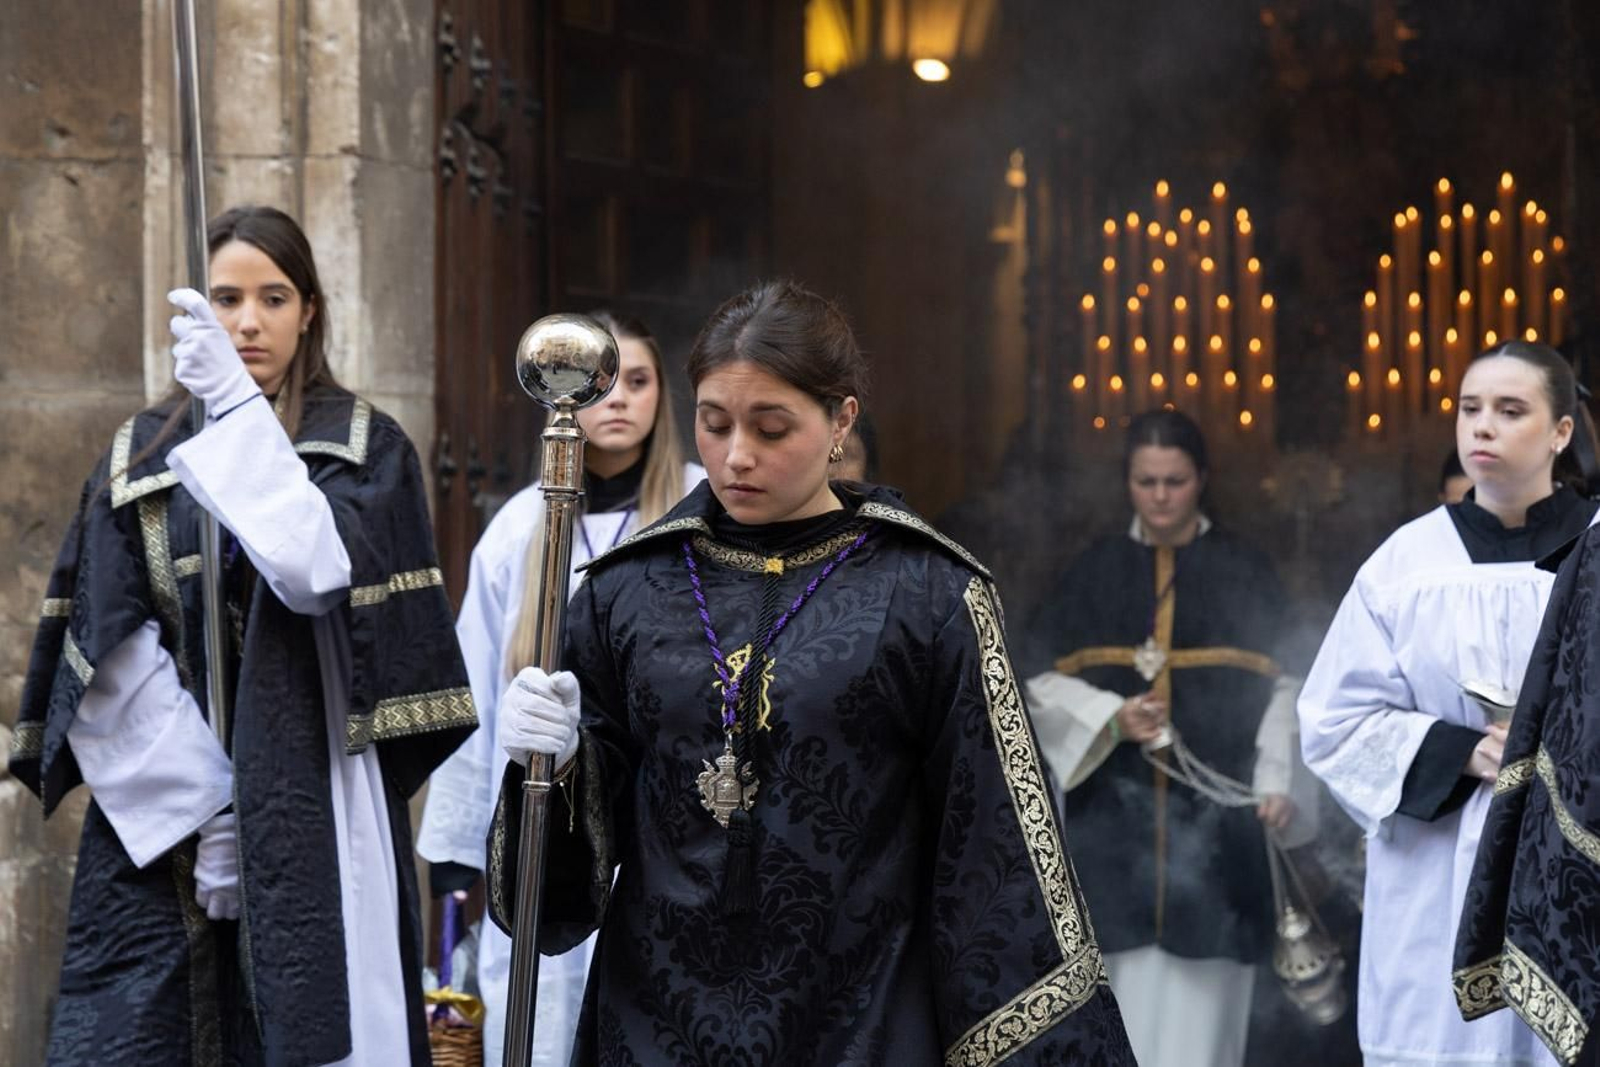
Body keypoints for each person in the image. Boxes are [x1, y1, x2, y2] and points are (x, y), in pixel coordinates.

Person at [482, 280, 1134, 1063]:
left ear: (841, 420)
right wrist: (550, 767)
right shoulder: (628, 589)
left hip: (860, 1016)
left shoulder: (927, 593)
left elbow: (995, 849)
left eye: (771, 426)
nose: (735, 455)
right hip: (655, 1018)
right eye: (714, 423)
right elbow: (556, 891)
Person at [9, 205, 476, 1064]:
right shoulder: (136, 457)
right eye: (226, 297)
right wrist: (208, 807)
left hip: (317, 804)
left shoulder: (362, 450)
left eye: (273, 297)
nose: (248, 322)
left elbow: (314, 572)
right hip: (160, 824)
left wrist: (235, 414)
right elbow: (108, 651)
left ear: (310, 311)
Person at [417, 310, 704, 1064]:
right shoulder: (519, 526)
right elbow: (476, 682)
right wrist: (458, 858)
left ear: (661, 397)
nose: (616, 398)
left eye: (636, 380)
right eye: (603, 382)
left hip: (661, 840)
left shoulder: (700, 513)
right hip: (549, 833)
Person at [1300, 341, 1598, 1066]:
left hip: (1572, 876)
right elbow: (1333, 722)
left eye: (1509, 409)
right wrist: (1459, 749)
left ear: (1561, 432)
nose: (1482, 427)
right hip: (1436, 881)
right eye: (1470, 409)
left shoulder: (1595, 549)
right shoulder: (1407, 563)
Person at [1021, 409, 1316, 1067]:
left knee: (1201, 1032)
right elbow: (1032, 683)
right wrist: (1109, 717)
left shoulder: (1244, 569)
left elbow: (1289, 687)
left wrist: (1275, 780)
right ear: (1127, 481)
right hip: (1115, 847)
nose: (1159, 496)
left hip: (1219, 844)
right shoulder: (1093, 571)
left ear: (1202, 480)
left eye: (1174, 481)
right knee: (1115, 1020)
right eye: (1145, 480)